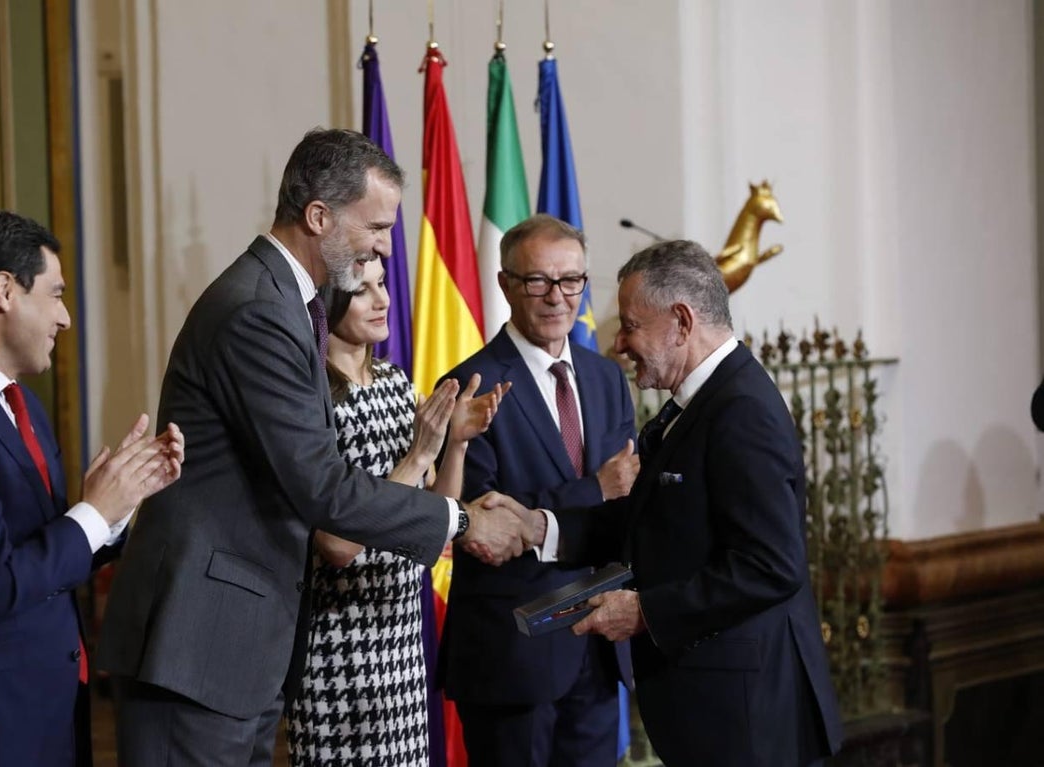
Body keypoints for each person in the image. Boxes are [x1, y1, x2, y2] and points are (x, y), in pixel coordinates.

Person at [96, 127, 528, 767]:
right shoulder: (257, 309)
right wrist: (460, 520)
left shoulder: (287, 302)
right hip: (199, 641)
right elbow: (321, 485)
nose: (386, 247)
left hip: (239, 646)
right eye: (376, 226)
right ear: (319, 216)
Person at [520, 239, 843, 766]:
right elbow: (653, 518)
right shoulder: (700, 402)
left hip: (749, 721)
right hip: (721, 712)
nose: (618, 343)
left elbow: (770, 565)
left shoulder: (741, 410)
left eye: (630, 325)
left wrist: (645, 612)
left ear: (682, 322)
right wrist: (542, 529)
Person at [0, 210, 184, 767]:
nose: (65, 317)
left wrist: (116, 506)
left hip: (44, 708)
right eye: (55, 294)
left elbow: (47, 560)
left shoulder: (21, 402)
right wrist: (92, 512)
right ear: (4, 291)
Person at [286, 257, 507, 766]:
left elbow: (432, 521)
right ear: (329, 301)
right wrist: (419, 456)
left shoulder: (395, 383)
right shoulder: (310, 395)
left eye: (382, 284)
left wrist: (455, 445)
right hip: (338, 640)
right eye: (362, 291)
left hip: (402, 635)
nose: (383, 300)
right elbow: (337, 543)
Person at [438, 214, 639, 766]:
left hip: (599, 646)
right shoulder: (469, 385)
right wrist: (593, 489)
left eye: (571, 280)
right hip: (513, 658)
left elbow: (627, 505)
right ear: (505, 285)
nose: (557, 297)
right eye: (538, 281)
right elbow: (482, 525)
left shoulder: (606, 378)